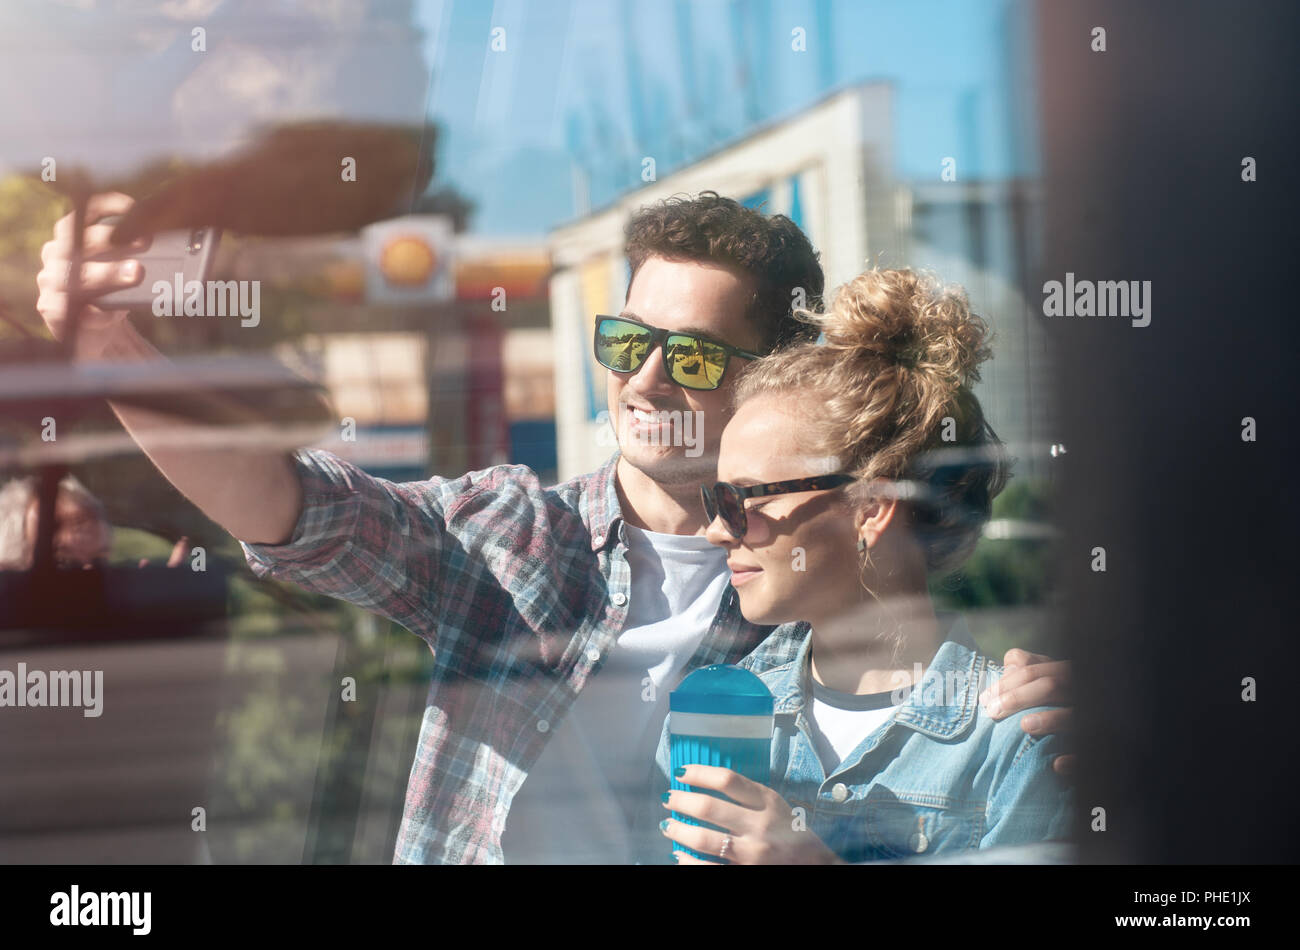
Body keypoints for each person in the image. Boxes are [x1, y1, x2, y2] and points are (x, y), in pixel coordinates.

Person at [36, 191, 1073, 864]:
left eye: (695, 355)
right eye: (625, 339)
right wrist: (107, 346)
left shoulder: (804, 585)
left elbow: (923, 664)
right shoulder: (511, 535)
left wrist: (1053, 702)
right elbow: (283, 502)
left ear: (770, 378)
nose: (645, 376)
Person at [657, 267, 1072, 864]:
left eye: (744, 498)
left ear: (871, 508)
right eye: (714, 499)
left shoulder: (1021, 740)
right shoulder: (707, 723)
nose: (716, 529)